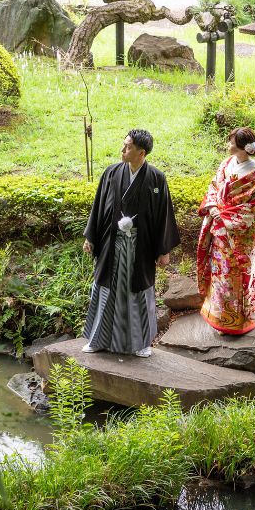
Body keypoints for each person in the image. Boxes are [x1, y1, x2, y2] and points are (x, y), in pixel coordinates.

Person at [82, 129, 180, 356]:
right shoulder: (111, 173)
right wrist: (91, 237)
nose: (122, 150)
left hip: (140, 247)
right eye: (124, 145)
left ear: (141, 153)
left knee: (138, 293)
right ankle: (99, 339)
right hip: (111, 244)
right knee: (106, 289)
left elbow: (163, 214)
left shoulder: (156, 178)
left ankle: (141, 343)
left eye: (127, 147)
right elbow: (98, 207)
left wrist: (163, 250)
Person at [197, 127, 255, 335]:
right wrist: (213, 207)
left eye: (231, 141)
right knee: (221, 275)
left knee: (238, 276)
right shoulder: (226, 163)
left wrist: (225, 218)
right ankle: (221, 317)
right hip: (220, 231)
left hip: (241, 234)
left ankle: (239, 322)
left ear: (243, 147)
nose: (228, 145)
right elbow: (214, 186)